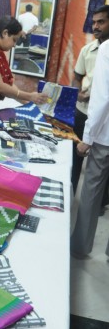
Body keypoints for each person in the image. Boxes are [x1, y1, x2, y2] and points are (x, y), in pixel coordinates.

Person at [70, 39, 109, 259]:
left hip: (105, 136)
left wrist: (88, 137)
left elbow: (103, 97)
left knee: (92, 191)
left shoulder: (106, 49)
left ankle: (80, 247)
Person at [0, 15, 48, 111]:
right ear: (5, 33)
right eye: (14, 40)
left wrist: (29, 103)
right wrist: (29, 96)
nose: (14, 45)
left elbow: (7, 85)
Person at [71, 5, 109, 205]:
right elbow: (77, 76)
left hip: (106, 119)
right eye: (94, 22)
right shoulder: (88, 50)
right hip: (83, 112)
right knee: (76, 155)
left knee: (102, 165)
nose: (96, 26)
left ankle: (101, 202)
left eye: (101, 22)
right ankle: (71, 193)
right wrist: (77, 92)